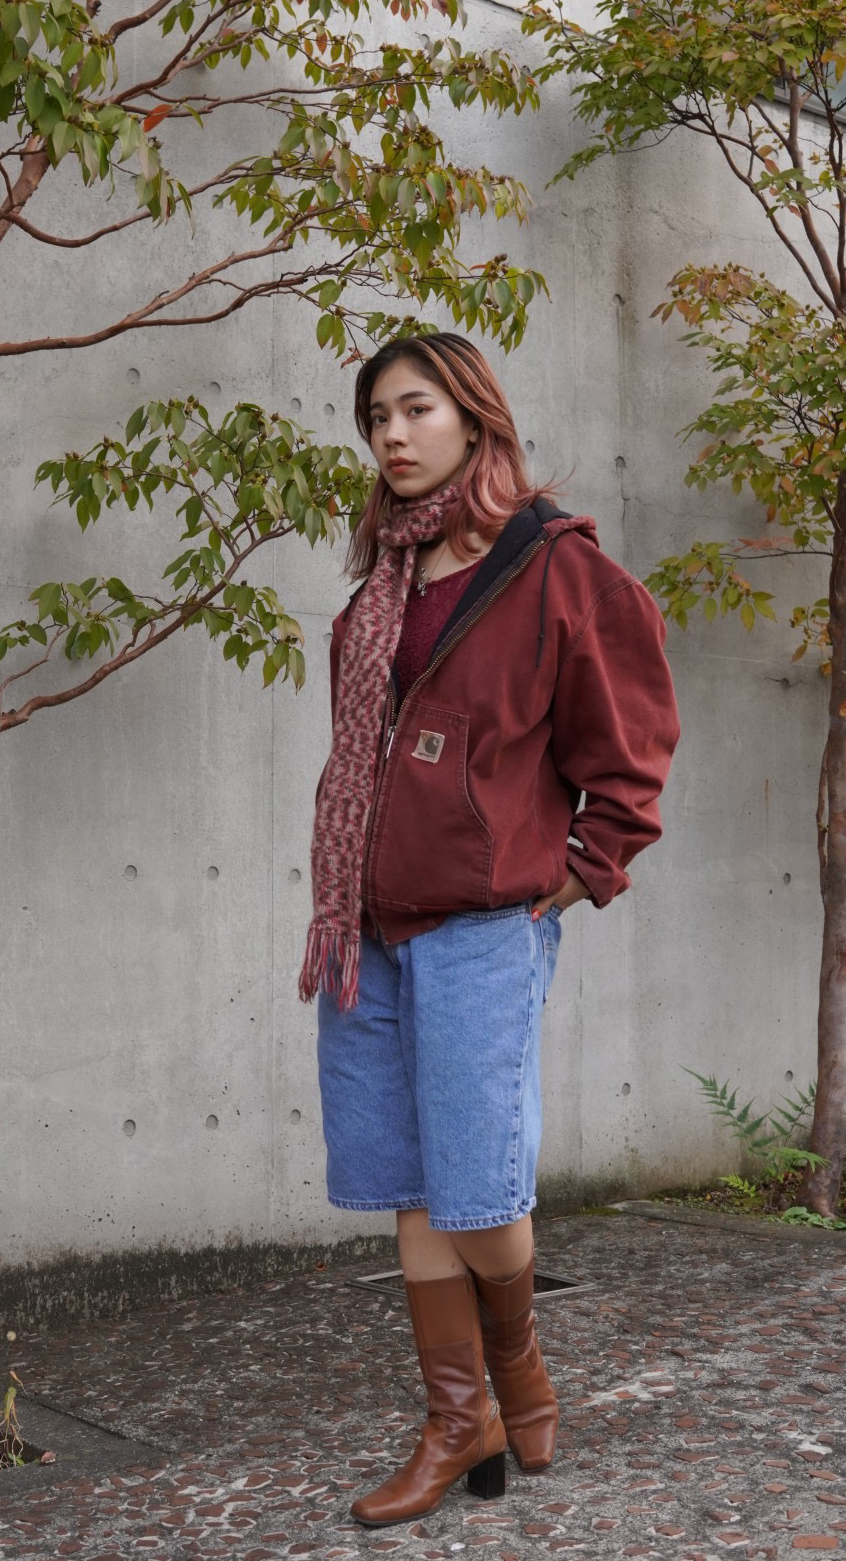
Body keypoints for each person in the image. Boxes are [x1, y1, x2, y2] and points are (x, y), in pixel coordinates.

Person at [298, 332, 680, 1527]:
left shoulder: (555, 569)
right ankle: (456, 1415)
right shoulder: (386, 572)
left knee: (477, 1187)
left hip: (477, 923)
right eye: (375, 417)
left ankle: (515, 1363)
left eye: (415, 409)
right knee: (413, 1180)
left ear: (473, 417)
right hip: (366, 924)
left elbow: (629, 749)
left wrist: (577, 872)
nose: (392, 434)